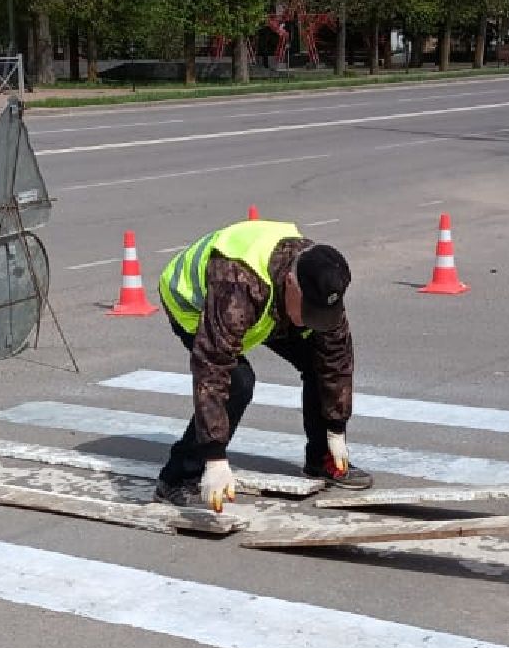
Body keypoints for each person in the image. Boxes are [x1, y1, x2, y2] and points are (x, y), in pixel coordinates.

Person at [154, 218, 372, 512]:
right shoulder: (238, 285)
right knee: (239, 382)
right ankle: (178, 477)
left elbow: (336, 357)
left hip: (266, 306)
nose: (311, 319)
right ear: (291, 283)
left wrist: (336, 427)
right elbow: (213, 367)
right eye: (308, 311)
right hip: (195, 304)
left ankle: (322, 459)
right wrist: (215, 457)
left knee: (318, 357)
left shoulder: (320, 275)